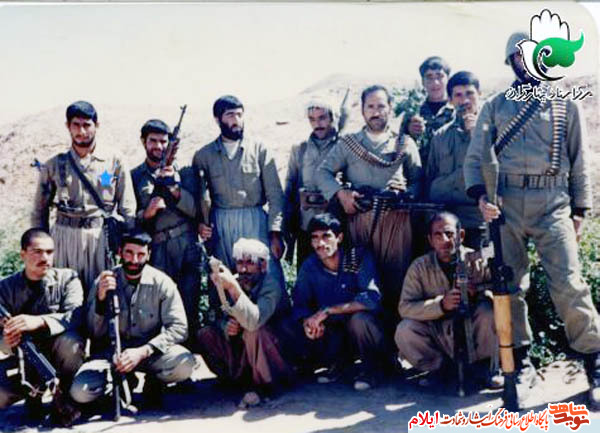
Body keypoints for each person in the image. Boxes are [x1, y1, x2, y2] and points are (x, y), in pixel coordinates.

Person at [463, 32, 600, 408]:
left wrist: (580, 211)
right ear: (511, 62)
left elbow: (580, 162)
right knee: (509, 287)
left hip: (552, 202)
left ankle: (594, 361)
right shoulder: (494, 107)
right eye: (518, 58)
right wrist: (482, 199)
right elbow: (475, 160)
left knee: (569, 283)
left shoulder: (566, 105)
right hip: (505, 205)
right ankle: (521, 365)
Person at [316, 85, 422, 327]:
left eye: (381, 106)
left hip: (396, 224)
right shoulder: (349, 143)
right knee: (362, 280)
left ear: (390, 109)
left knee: (397, 279)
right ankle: (365, 336)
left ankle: (397, 337)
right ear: (362, 111)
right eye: (370, 107)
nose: (376, 112)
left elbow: (418, 180)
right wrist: (341, 194)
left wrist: (406, 194)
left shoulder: (404, 143)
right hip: (360, 222)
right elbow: (323, 173)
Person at [69, 230, 195, 411]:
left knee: (185, 364)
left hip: (150, 352)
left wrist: (144, 351)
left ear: (149, 255)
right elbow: (91, 331)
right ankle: (123, 383)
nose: (134, 260)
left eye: (141, 254)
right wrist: (101, 300)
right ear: (120, 252)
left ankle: (154, 382)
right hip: (112, 355)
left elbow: (179, 328)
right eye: (129, 253)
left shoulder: (162, 282)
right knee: (80, 392)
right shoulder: (103, 281)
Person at [31, 101, 136, 290]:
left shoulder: (114, 161)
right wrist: (40, 248)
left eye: (87, 125)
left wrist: (128, 244)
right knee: (62, 293)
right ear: (68, 126)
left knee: (101, 294)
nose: (81, 131)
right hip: (63, 239)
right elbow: (40, 210)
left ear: (97, 125)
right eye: (76, 125)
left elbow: (127, 207)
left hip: (100, 239)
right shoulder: (54, 164)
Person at [395, 212, 497, 389]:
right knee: (405, 329)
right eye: (437, 235)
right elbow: (405, 307)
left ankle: (485, 368)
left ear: (461, 235)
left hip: (472, 328)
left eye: (449, 234)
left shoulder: (477, 261)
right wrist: (440, 305)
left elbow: (498, 294)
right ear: (430, 240)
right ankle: (439, 370)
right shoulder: (419, 267)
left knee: (488, 312)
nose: (444, 240)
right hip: (438, 331)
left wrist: (477, 293)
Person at [292, 213, 388, 391]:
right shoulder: (310, 266)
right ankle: (337, 365)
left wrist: (329, 310)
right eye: (315, 238)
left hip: (365, 330)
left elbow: (372, 298)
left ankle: (372, 369)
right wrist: (308, 323)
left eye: (326, 236)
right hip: (334, 331)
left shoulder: (357, 257)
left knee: (360, 320)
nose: (320, 243)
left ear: (339, 237)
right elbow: (300, 304)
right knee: (304, 327)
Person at [195, 238, 295, 407]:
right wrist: (227, 327)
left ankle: (267, 385)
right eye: (240, 263)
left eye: (250, 263)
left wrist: (233, 289)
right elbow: (216, 315)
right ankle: (236, 380)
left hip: (275, 349)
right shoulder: (235, 280)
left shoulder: (271, 285)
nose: (243, 269)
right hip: (244, 349)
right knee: (206, 334)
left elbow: (255, 321)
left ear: (263, 266)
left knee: (254, 332)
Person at [0, 228, 85, 426]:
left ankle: (64, 396)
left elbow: (75, 316)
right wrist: (7, 341)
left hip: (58, 355)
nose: (45, 258)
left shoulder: (68, 279)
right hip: (21, 360)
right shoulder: (5, 288)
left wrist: (39, 322)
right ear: (22, 254)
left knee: (72, 342)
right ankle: (32, 396)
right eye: (37, 252)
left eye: (49, 252)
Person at [193, 95, 285, 276]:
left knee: (267, 277)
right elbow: (198, 198)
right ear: (217, 119)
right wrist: (200, 224)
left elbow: (275, 194)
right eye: (230, 115)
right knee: (223, 278)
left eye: (239, 115)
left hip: (256, 223)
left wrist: (275, 233)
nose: (236, 120)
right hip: (221, 226)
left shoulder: (259, 149)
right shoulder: (204, 155)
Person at [131, 119, 201, 333]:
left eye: (163, 141)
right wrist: (147, 212)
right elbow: (129, 217)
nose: (158, 146)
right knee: (158, 305)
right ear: (143, 141)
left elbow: (197, 210)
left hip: (186, 245)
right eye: (153, 141)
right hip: (157, 248)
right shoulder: (135, 176)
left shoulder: (185, 173)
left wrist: (175, 190)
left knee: (189, 304)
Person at [426, 71, 485, 248]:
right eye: (458, 95)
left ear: (479, 94)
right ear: (450, 100)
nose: (464, 100)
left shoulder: (493, 132)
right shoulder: (440, 136)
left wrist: (476, 135)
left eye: (469, 93)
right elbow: (430, 179)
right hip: (445, 223)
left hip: (479, 222)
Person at [284, 98, 342, 271]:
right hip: (307, 229)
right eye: (312, 119)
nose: (317, 124)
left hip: (336, 230)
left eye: (322, 118)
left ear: (332, 118)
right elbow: (290, 186)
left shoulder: (344, 147)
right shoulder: (300, 149)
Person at [403, 56, 455, 163]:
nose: (435, 82)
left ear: (448, 79)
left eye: (439, 76)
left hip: (449, 170)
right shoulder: (414, 111)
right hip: (420, 170)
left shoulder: (456, 110)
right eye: (429, 77)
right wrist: (410, 133)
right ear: (423, 81)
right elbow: (400, 147)